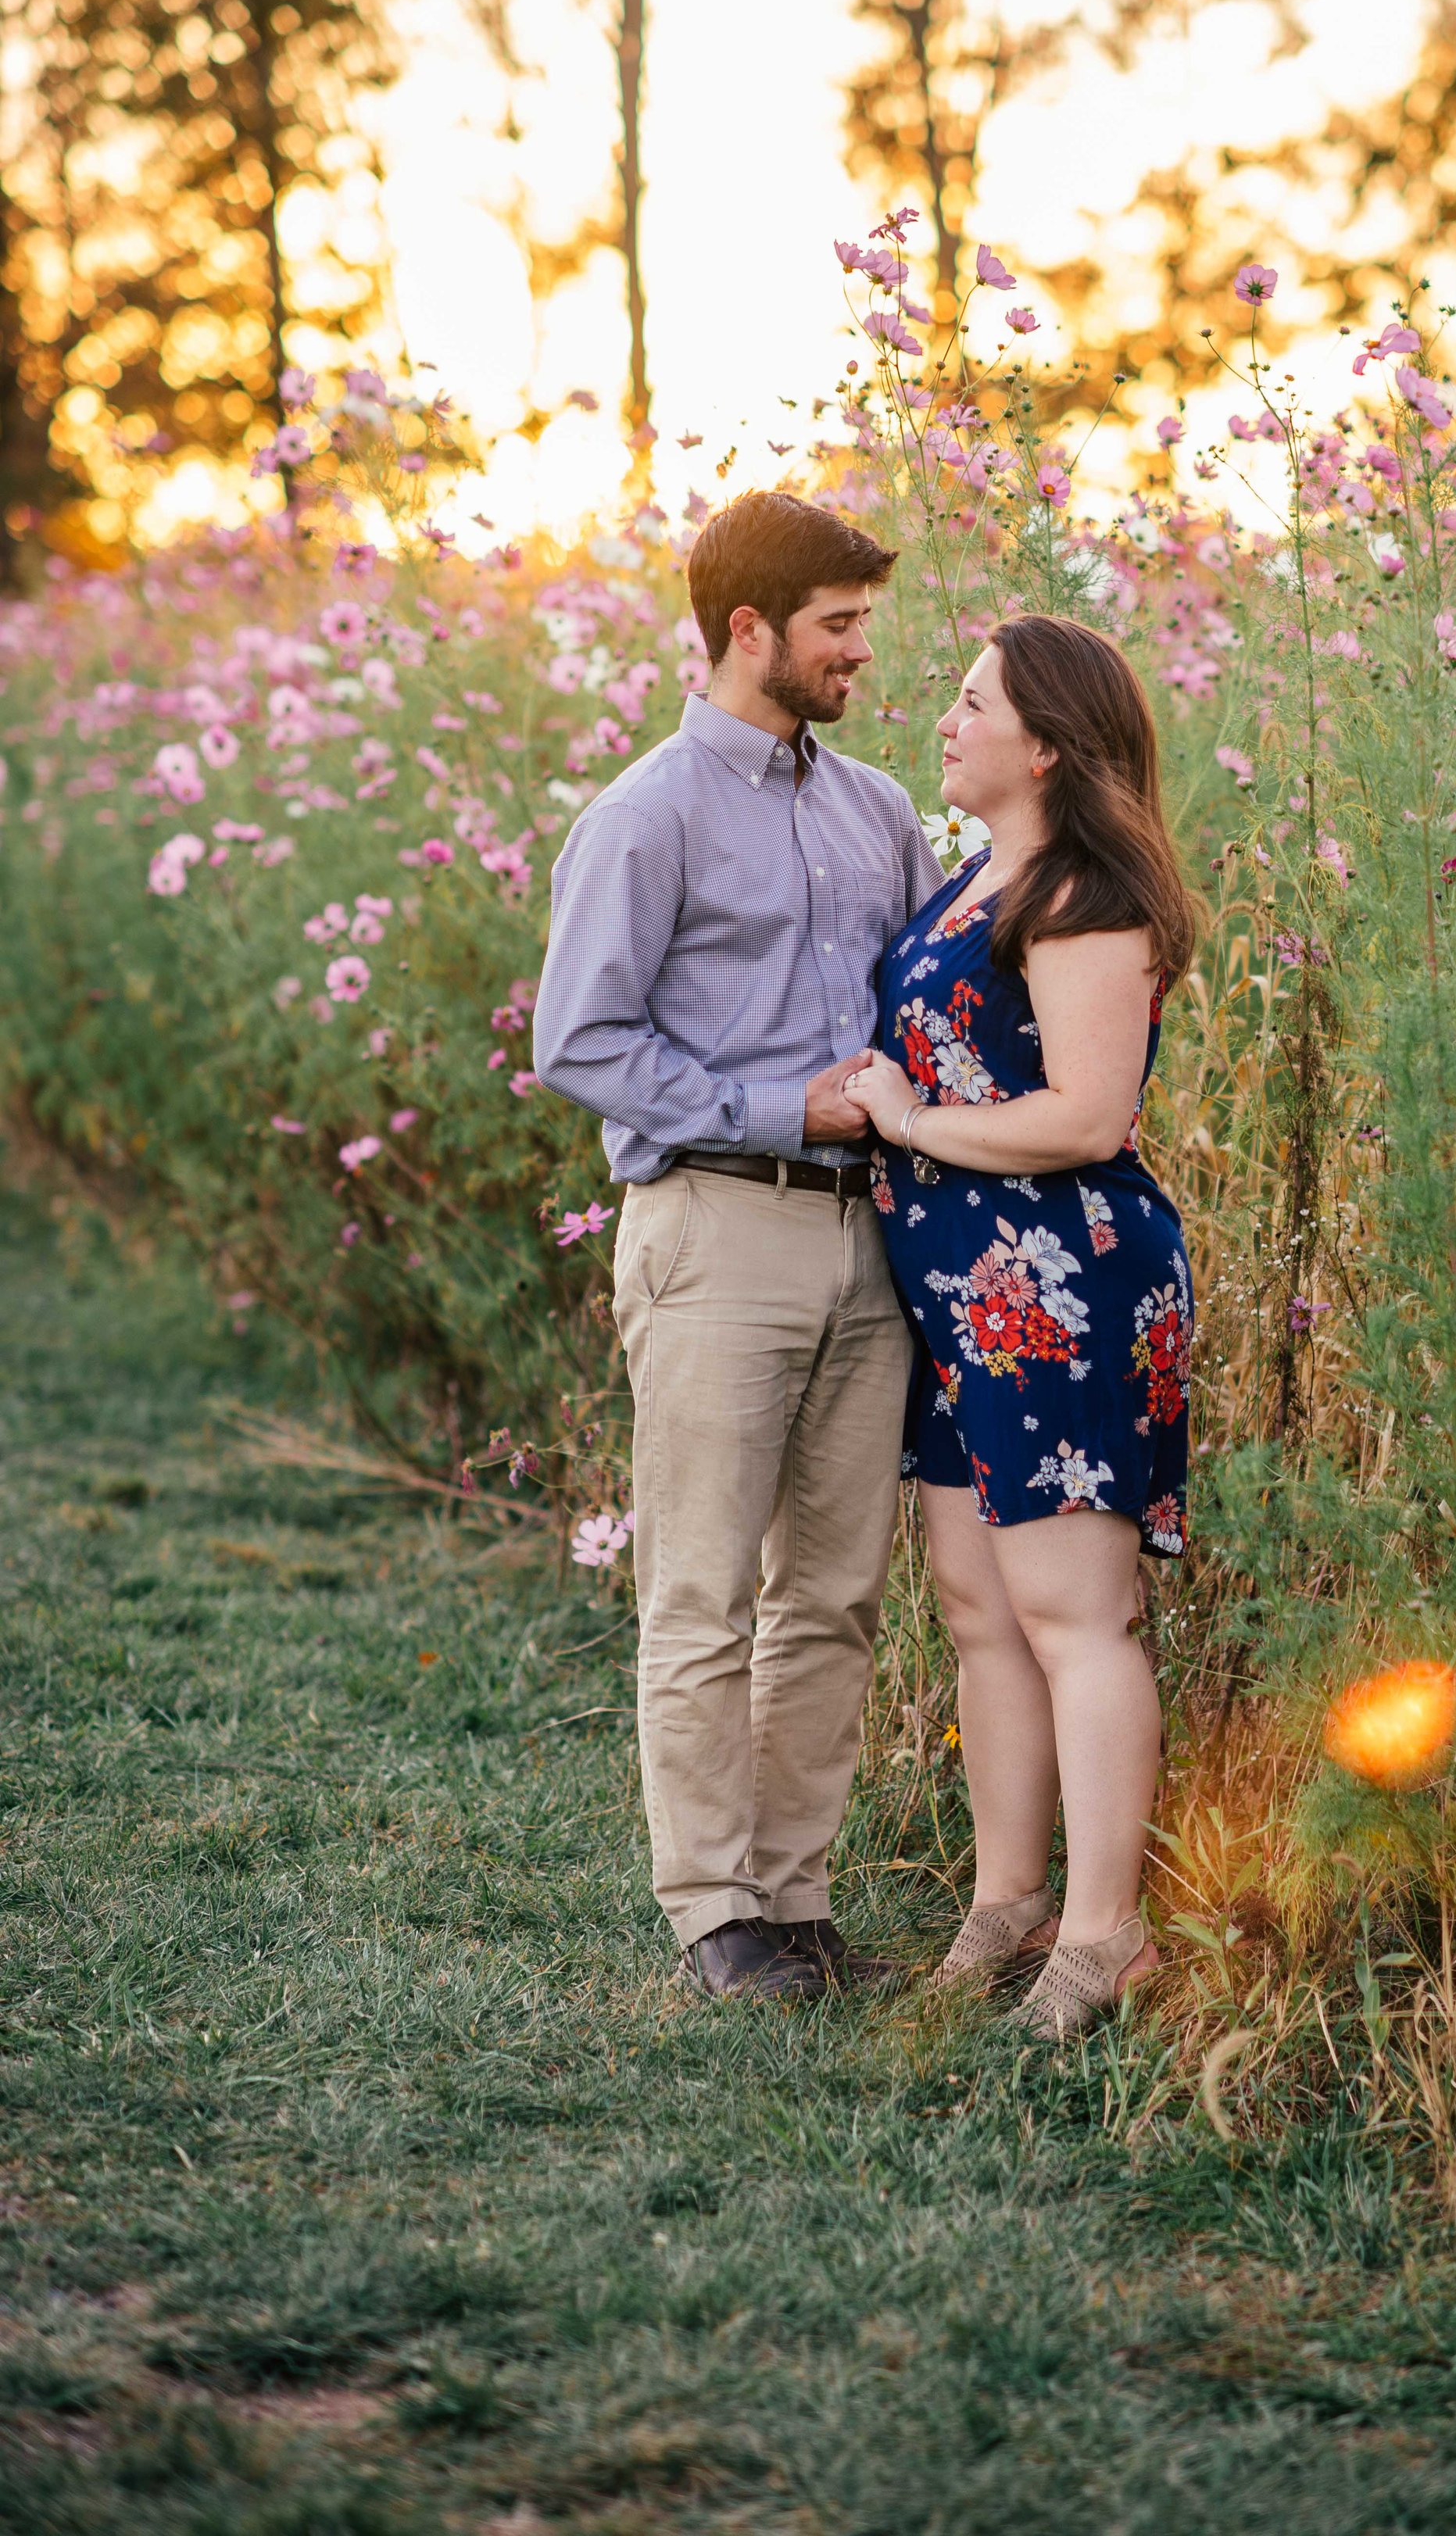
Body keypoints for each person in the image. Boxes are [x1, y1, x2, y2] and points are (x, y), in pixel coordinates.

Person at [533, 488, 940, 2004]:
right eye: (836, 627)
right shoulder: (644, 815)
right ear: (748, 629)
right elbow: (579, 1038)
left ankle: (796, 1897)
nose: (857, 655)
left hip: (868, 1249)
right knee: (700, 1590)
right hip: (713, 1230)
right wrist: (778, 1111)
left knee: (831, 1594)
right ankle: (713, 1914)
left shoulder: (875, 807)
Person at [842, 613, 1199, 2039]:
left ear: (1044, 741)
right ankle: (1008, 1903)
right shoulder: (973, 881)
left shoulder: (1082, 892)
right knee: (984, 1614)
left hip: (1062, 1280)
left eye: (973, 699)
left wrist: (911, 1120)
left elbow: (1090, 1114)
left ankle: (1108, 1935)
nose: (947, 714)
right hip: (962, 1293)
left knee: (1074, 1615)